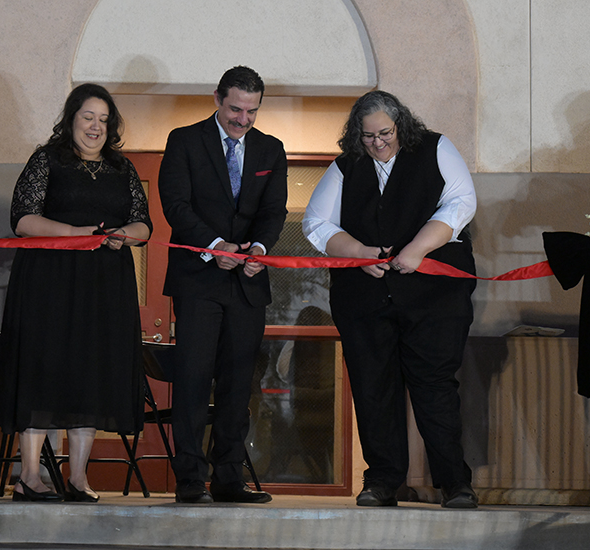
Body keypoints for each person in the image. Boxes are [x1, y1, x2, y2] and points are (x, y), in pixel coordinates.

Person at [302, 90, 478, 508]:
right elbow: (315, 223)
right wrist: (359, 253)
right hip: (364, 300)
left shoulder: (435, 147)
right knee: (372, 388)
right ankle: (382, 482)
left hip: (434, 299)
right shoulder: (346, 165)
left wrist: (417, 248)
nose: (378, 143)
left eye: (385, 133)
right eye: (367, 137)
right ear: (355, 135)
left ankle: (455, 484)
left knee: (434, 387)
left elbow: (461, 201)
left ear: (401, 126)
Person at [0, 83, 152, 503]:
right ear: (71, 118)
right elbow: (23, 218)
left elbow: (143, 225)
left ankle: (77, 478)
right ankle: (30, 476)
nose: (96, 127)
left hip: (103, 285)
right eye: (87, 117)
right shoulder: (47, 159)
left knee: (90, 374)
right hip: (49, 281)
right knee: (43, 369)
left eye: (103, 120)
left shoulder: (122, 168)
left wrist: (123, 236)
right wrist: (76, 234)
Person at [158, 66, 287, 504]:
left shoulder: (272, 149)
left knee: (238, 383)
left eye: (252, 111)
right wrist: (216, 246)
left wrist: (259, 250)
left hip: (248, 283)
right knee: (193, 380)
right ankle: (191, 479)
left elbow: (274, 212)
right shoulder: (184, 140)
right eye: (235, 109)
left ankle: (229, 479)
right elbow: (175, 205)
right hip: (199, 277)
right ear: (217, 98)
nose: (243, 119)